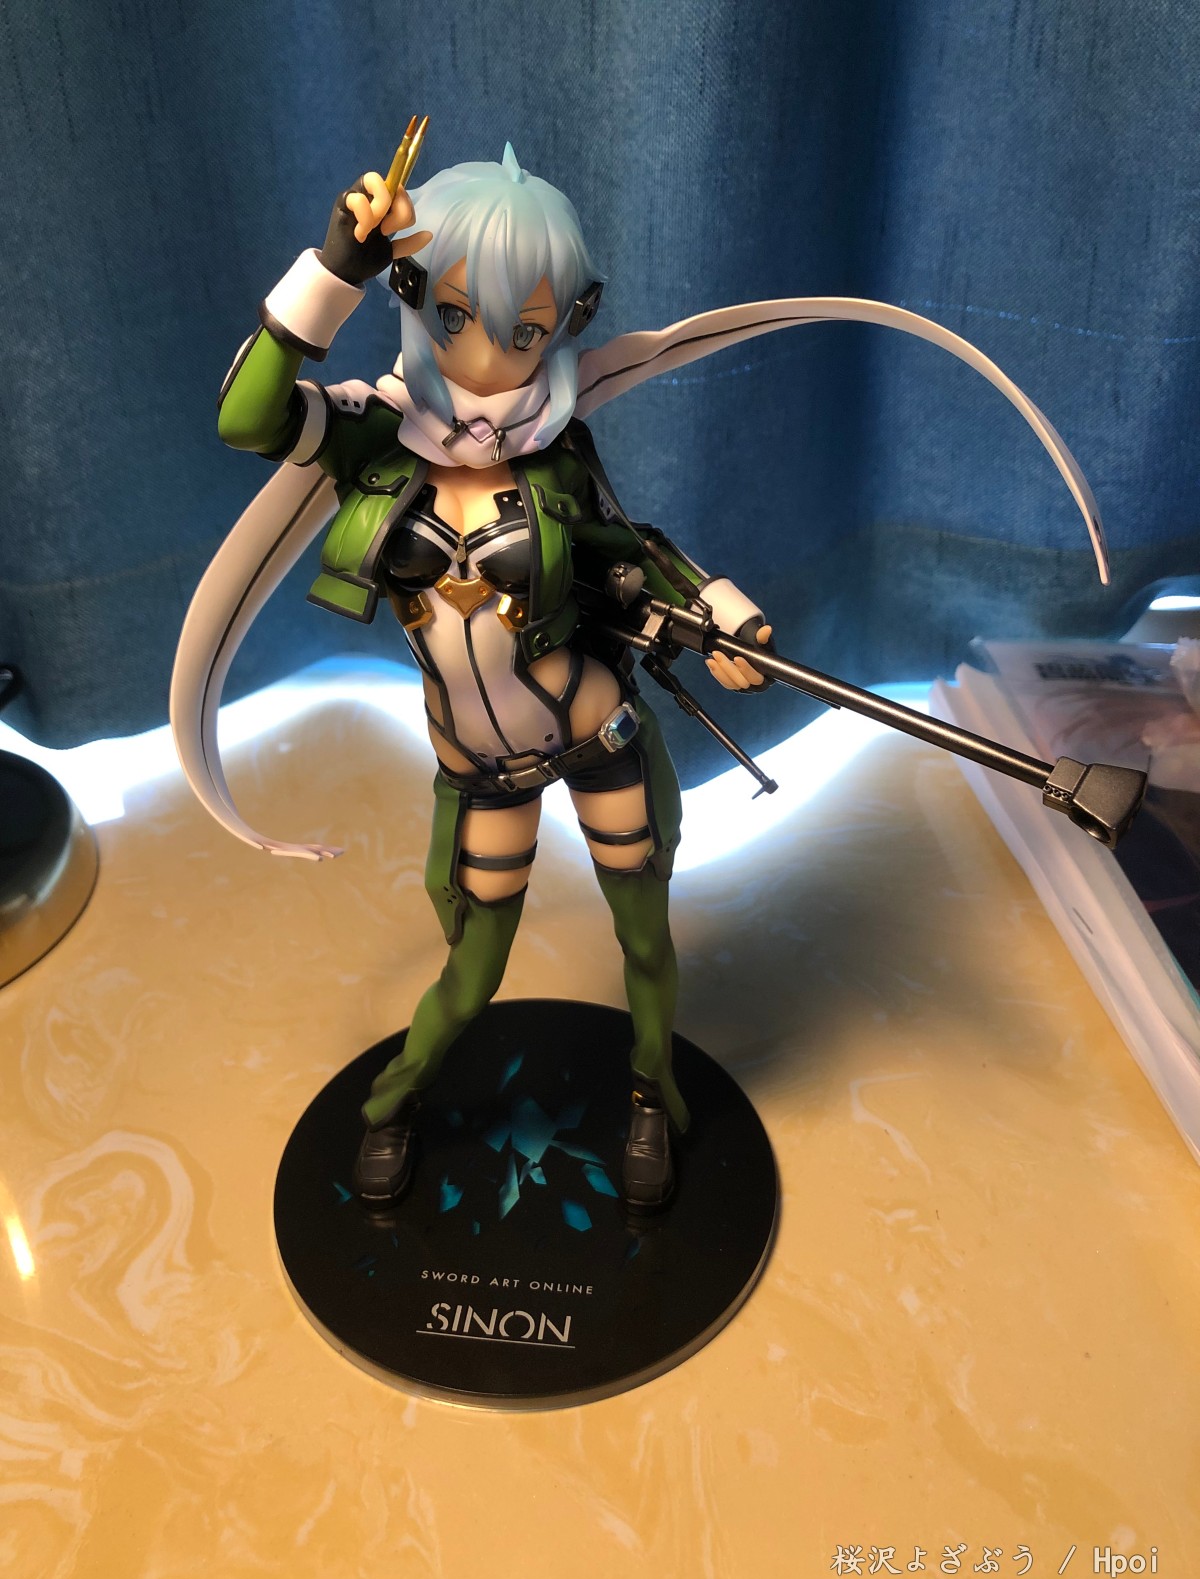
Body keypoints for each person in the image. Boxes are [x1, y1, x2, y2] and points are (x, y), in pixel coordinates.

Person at [173, 140, 1108, 1216]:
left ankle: (651, 1094)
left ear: (566, 323)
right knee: (472, 973)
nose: (489, 355)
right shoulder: (368, 439)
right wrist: (334, 267)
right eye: (459, 314)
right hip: (480, 770)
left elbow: (634, 549)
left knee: (646, 941)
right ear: (415, 294)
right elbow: (247, 417)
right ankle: (392, 1103)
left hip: (599, 736)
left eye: (525, 330)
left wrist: (726, 615)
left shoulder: (556, 454)